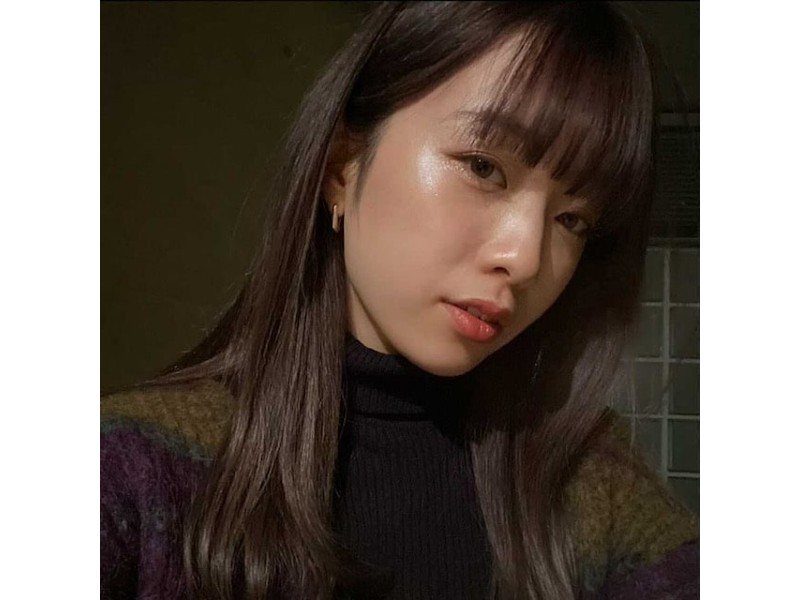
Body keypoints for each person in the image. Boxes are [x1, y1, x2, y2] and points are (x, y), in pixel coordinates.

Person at [100, 2, 699, 599]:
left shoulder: (592, 481)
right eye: (484, 168)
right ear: (342, 165)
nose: (525, 258)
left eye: (573, 220)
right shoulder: (132, 468)